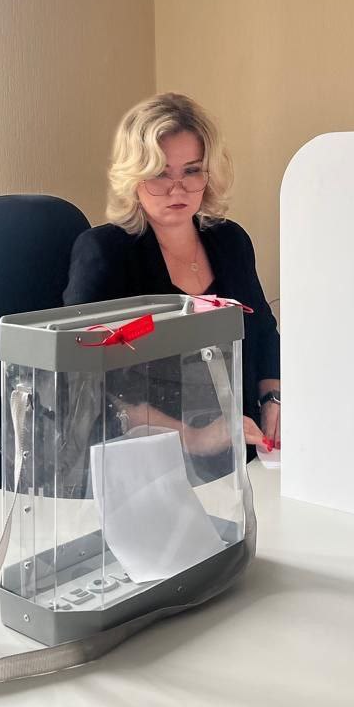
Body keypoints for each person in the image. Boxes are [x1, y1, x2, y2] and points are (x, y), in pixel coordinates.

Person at [64, 92, 281, 457]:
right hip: (148, 459)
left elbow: (262, 333)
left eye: (191, 171)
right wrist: (194, 438)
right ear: (133, 176)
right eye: (160, 174)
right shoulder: (105, 252)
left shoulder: (230, 240)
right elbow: (88, 379)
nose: (177, 188)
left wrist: (273, 398)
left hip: (244, 450)